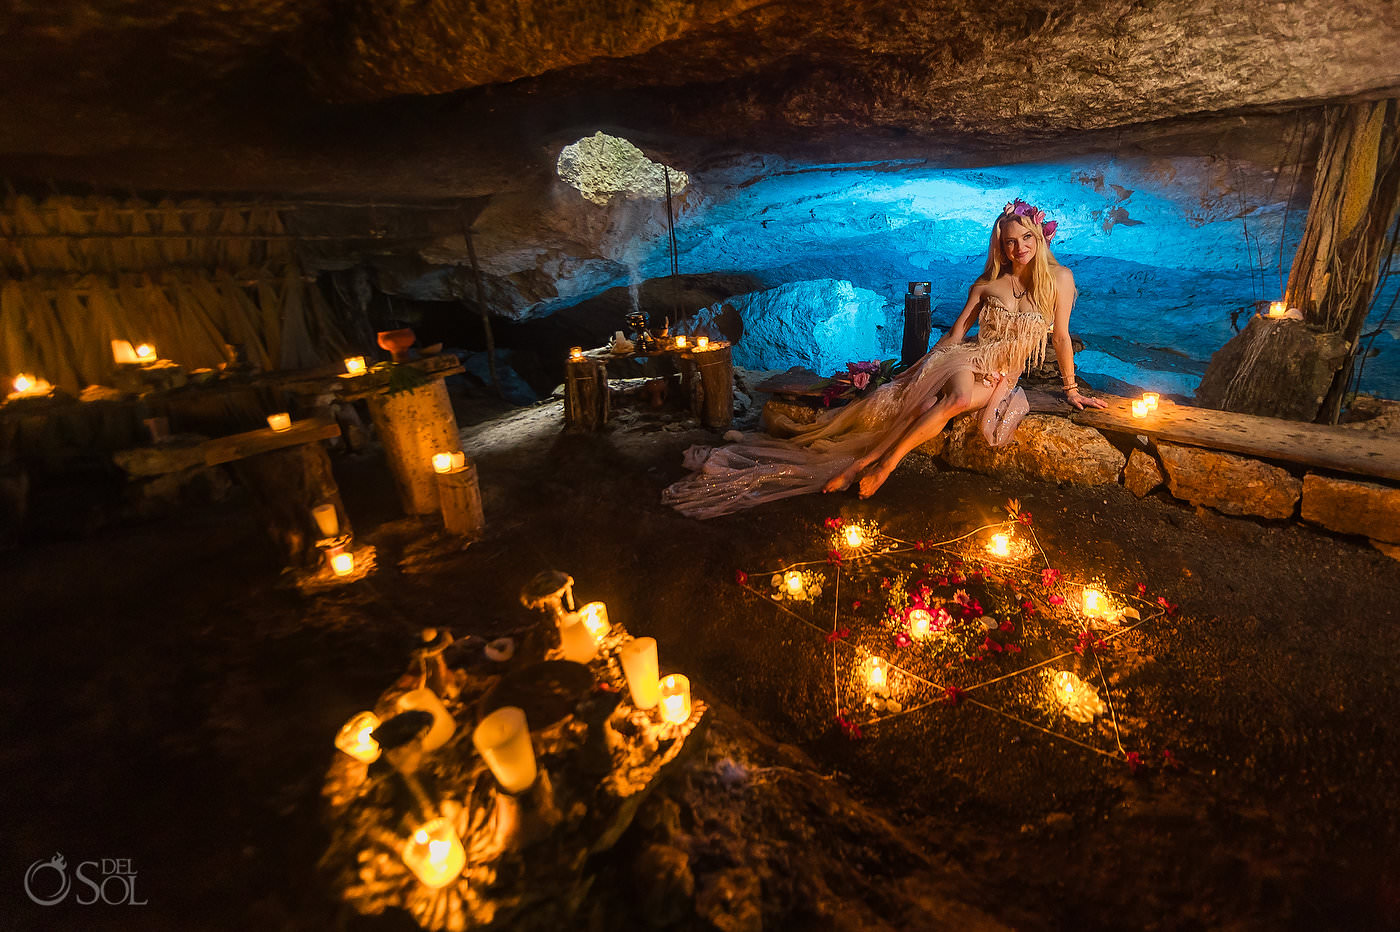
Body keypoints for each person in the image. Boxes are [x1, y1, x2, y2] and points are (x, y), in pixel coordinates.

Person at [662, 199, 1107, 519]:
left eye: (1026, 238)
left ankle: (874, 465)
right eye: (1010, 241)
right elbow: (955, 334)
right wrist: (918, 367)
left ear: (1040, 238)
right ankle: (868, 464)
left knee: (948, 404)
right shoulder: (986, 284)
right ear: (1000, 245)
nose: (1019, 248)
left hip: (1002, 371)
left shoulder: (1061, 280)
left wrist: (1071, 390)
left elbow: (1062, 337)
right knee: (917, 397)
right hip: (966, 357)